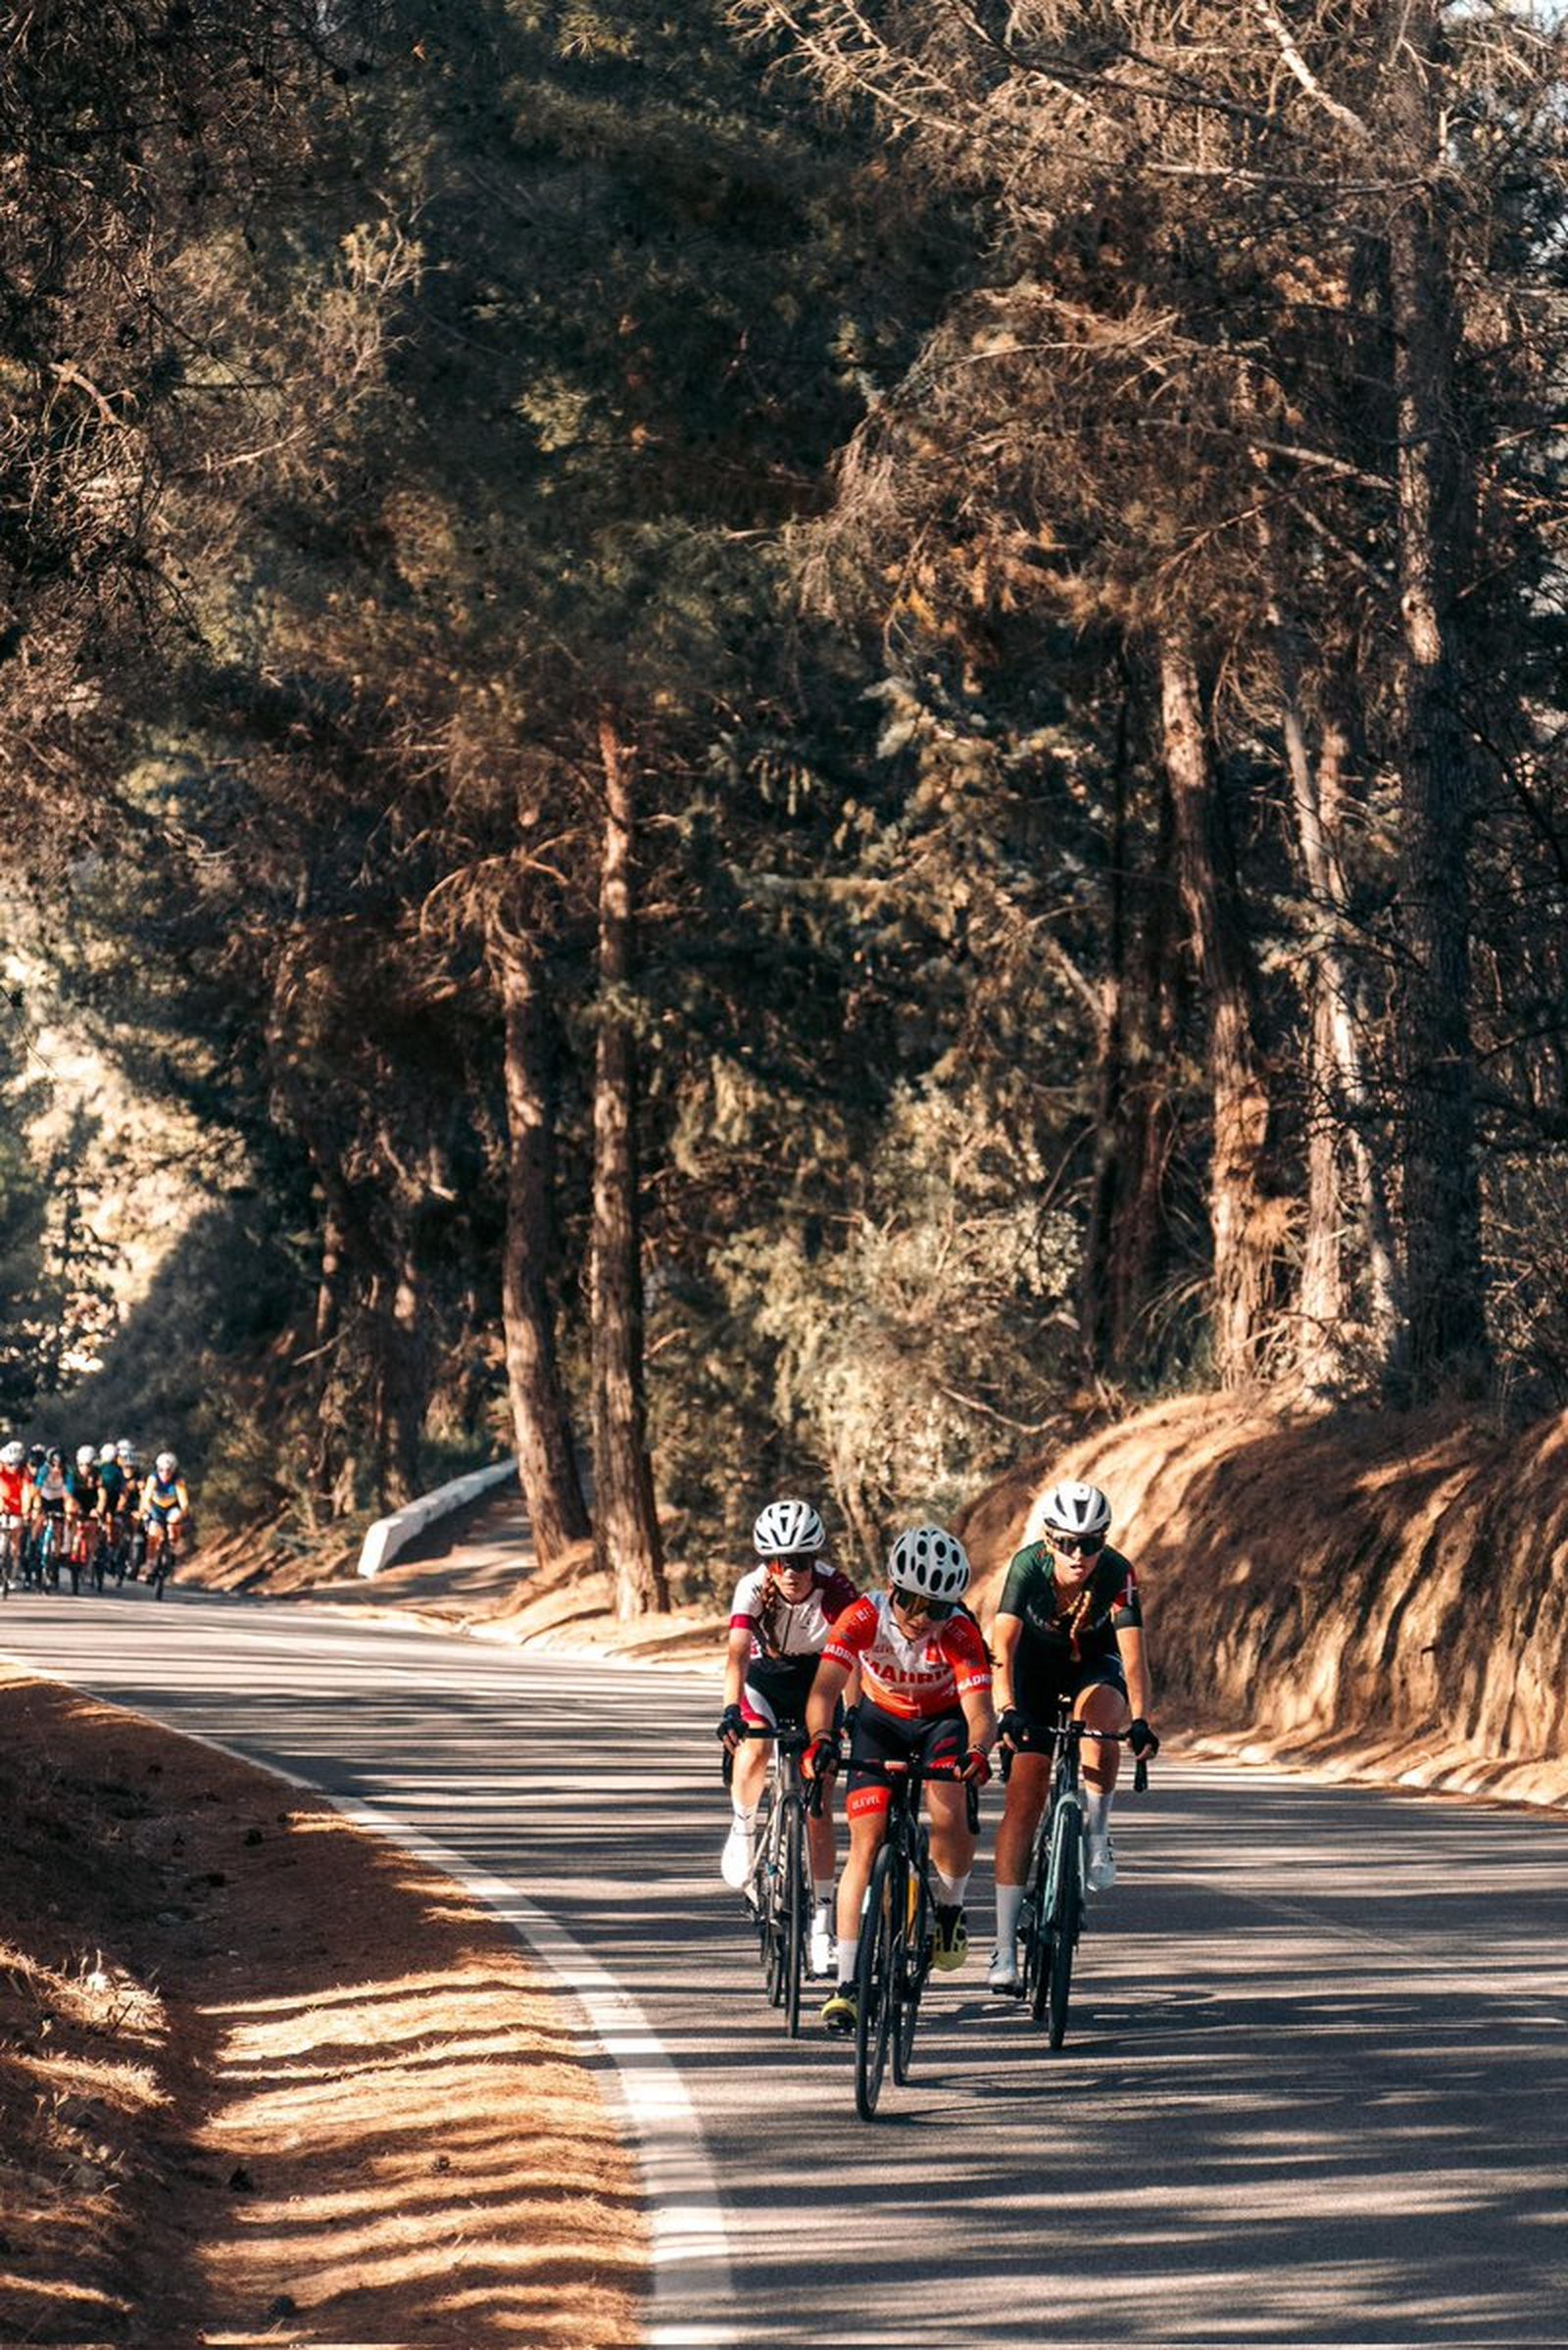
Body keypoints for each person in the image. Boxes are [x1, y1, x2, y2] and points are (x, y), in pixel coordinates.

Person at [803, 1524, 995, 2034]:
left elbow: (980, 1712)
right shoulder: (863, 1616)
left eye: (935, 1607)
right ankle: (846, 1984)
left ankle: (950, 1908)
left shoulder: (959, 1633)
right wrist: (823, 1739)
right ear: (892, 1587)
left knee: (950, 1811)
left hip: (942, 1723)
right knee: (865, 1845)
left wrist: (978, 1751)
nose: (919, 1617)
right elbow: (823, 1690)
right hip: (879, 1723)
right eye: (910, 1600)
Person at [985, 1478, 1158, 1994]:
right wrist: (1006, 1710)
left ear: (1103, 1542)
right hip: (1032, 1673)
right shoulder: (1027, 1567)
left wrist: (1142, 1719)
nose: (1077, 1554)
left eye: (1089, 1543)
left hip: (1091, 1667)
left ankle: (1098, 1836)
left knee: (1104, 1723)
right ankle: (1003, 1948)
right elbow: (1003, 1649)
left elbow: (1134, 1658)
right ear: (1049, 1540)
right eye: (1066, 1543)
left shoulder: (1118, 1573)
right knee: (1024, 1797)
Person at [716, 1498, 858, 1978]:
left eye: (799, 1561)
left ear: (814, 1557)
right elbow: (737, 1654)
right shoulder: (752, 1588)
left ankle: (822, 1924)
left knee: (820, 1803)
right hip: (766, 1680)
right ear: (767, 1563)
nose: (790, 1571)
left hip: (820, 1682)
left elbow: (853, 1657)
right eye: (778, 1561)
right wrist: (731, 1710)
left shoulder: (836, 1589)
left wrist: (853, 1714)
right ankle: (743, 1825)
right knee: (755, 1746)